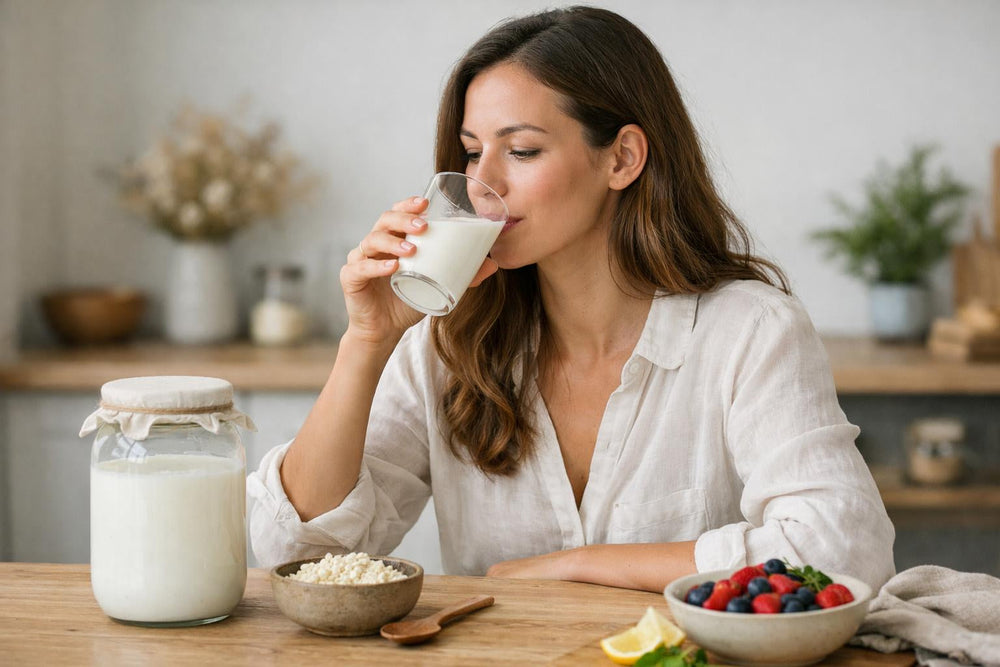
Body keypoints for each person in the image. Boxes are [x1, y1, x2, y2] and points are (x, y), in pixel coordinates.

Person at [249, 5, 895, 593]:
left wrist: (577, 565)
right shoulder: (447, 344)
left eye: (521, 150)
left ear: (622, 159)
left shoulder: (749, 332)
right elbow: (294, 553)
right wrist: (367, 340)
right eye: (471, 153)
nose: (482, 183)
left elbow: (844, 549)